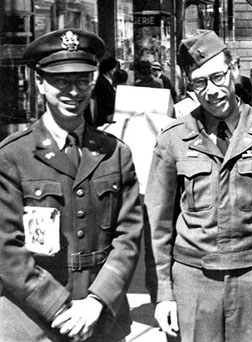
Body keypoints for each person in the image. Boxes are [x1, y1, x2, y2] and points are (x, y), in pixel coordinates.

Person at [146, 30, 252, 342]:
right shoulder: (172, 140)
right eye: (199, 83)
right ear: (188, 85)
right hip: (194, 283)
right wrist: (164, 292)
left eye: (218, 76)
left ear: (234, 68)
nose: (212, 91)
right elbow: (159, 225)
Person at [0, 28, 143, 342]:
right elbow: (6, 249)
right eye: (61, 81)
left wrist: (96, 301)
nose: (73, 92)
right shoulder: (13, 156)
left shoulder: (115, 154)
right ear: (40, 83)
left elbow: (128, 237)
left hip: (101, 319)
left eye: (82, 80)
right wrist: (57, 307)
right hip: (33, 321)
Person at [89, 56, 118, 127]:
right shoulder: (103, 85)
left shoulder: (106, 82)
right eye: (114, 68)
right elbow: (104, 105)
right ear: (110, 70)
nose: (115, 71)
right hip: (104, 122)